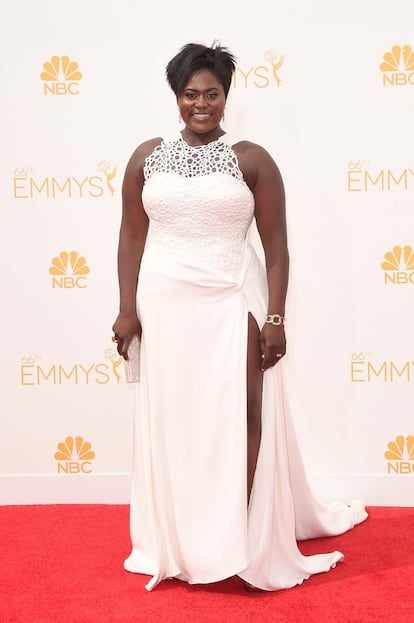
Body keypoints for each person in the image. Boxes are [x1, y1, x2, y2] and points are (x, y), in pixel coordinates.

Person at [112, 42, 367, 592]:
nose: (201, 104)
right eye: (190, 94)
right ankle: (183, 539)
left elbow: (276, 246)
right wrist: (127, 307)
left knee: (245, 412)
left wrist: (276, 318)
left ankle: (242, 539)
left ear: (227, 97)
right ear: (175, 97)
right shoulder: (145, 158)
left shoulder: (251, 158)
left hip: (233, 296)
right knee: (176, 418)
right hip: (165, 304)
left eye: (212, 94)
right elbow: (132, 236)